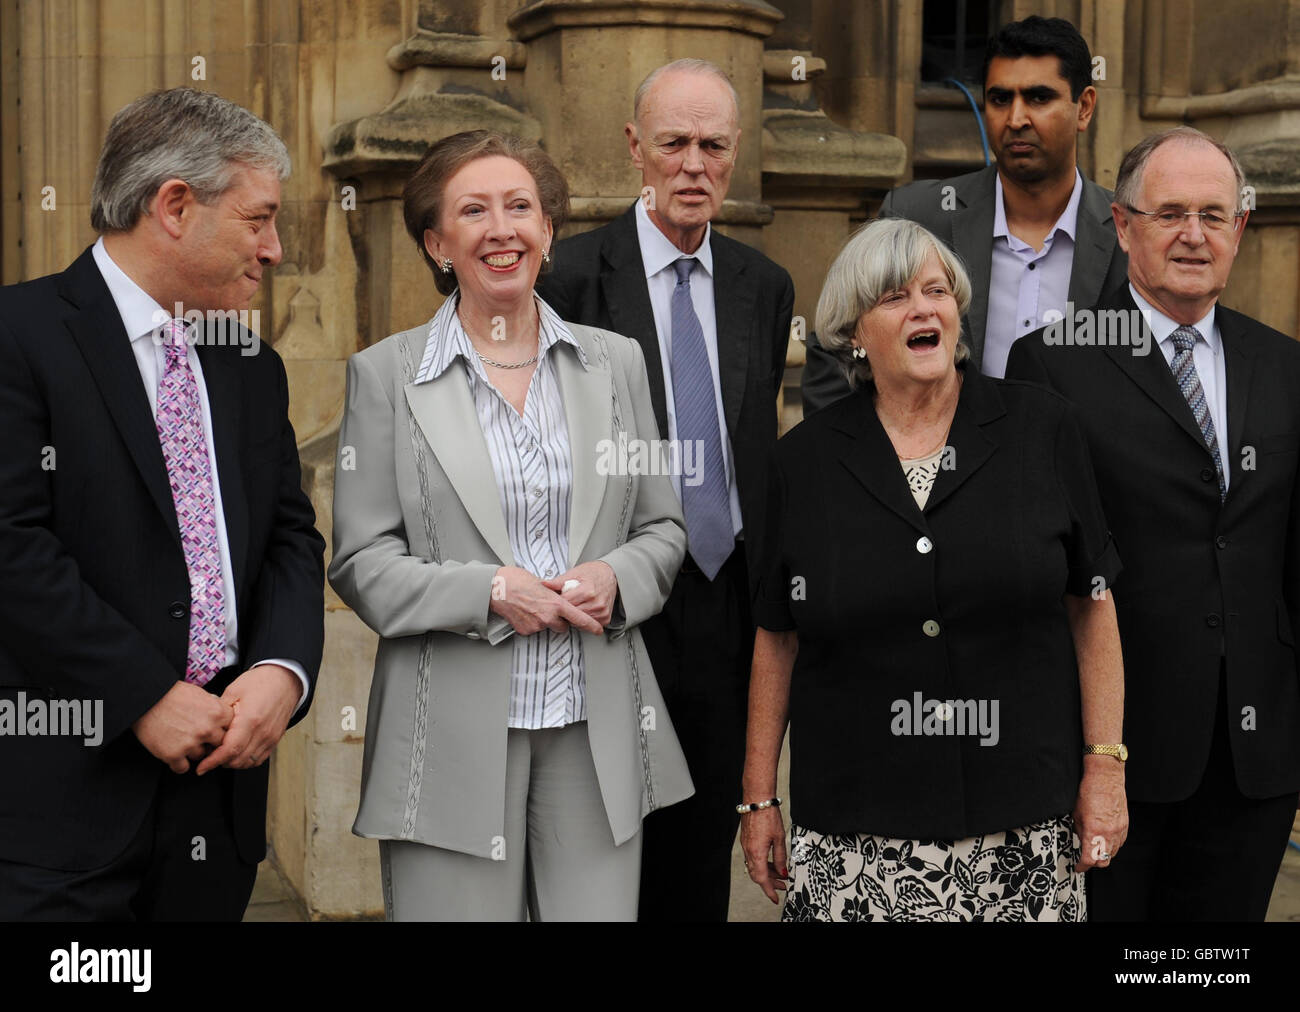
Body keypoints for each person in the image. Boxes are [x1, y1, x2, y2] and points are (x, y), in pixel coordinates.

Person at [328, 130, 691, 921]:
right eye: (474, 211)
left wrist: (614, 578)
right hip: (448, 731)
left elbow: (663, 530)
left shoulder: (615, 362)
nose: (503, 229)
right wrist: (490, 591)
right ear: (437, 243)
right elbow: (361, 561)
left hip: (593, 729)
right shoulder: (387, 375)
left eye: (521, 207)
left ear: (549, 231)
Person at [742, 217, 1127, 921]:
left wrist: (1105, 766)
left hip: (1023, 832)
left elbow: (1091, 605)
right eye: (894, 297)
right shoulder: (801, 464)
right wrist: (760, 796)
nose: (924, 308)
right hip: (854, 839)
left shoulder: (1043, 429)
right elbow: (777, 635)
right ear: (853, 331)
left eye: (937, 290)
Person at [0, 88, 325, 920]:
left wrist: (282, 673)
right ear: (175, 205)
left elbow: (290, 535)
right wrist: (142, 691)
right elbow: (12, 547)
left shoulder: (251, 363)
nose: (276, 249)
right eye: (258, 219)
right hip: (62, 813)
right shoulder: (20, 335)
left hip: (217, 806)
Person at [1006, 127, 1300, 921]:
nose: (1194, 235)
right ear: (1122, 223)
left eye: (1214, 214)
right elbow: (1041, 575)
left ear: (1241, 230)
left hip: (1254, 757)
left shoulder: (1285, 366)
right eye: (1171, 212)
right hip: (1112, 750)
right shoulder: (1054, 362)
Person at [537, 58, 795, 922]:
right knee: (604, 858)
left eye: (714, 146)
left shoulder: (764, 285)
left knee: (695, 864)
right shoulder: (567, 279)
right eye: (675, 143)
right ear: (635, 147)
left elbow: (754, 443)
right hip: (615, 610)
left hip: (728, 607)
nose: (695, 165)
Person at [802, 15, 1127, 411]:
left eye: (1039, 98)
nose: (1016, 119)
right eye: (1000, 98)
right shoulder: (917, 215)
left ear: (1085, 108)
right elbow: (834, 347)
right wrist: (865, 462)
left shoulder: (1130, 234)